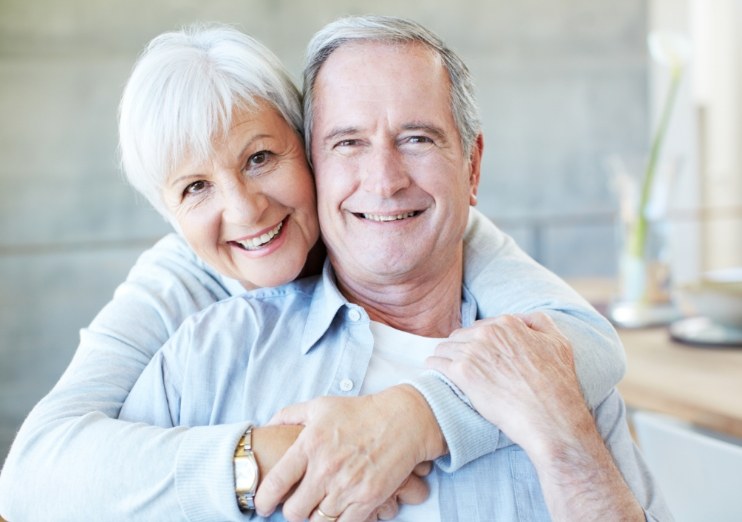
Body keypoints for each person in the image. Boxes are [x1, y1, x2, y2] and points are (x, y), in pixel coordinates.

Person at [0, 21, 628, 522]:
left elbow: (588, 342)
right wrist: (270, 456)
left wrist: (412, 420)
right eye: (195, 187)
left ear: (302, 147)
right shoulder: (187, 317)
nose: (244, 209)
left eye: (261, 158)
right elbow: (35, 480)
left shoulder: (452, 244)